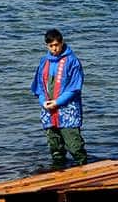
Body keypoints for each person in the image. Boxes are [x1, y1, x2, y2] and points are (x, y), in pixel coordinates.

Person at [31, 28, 87, 166]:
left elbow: (74, 87)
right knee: (55, 147)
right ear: (47, 46)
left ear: (62, 43)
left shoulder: (72, 61)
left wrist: (58, 102)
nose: (54, 48)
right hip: (49, 110)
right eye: (51, 46)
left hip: (67, 110)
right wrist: (43, 102)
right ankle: (58, 172)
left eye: (57, 45)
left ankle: (84, 170)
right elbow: (39, 86)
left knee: (75, 146)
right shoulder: (44, 62)